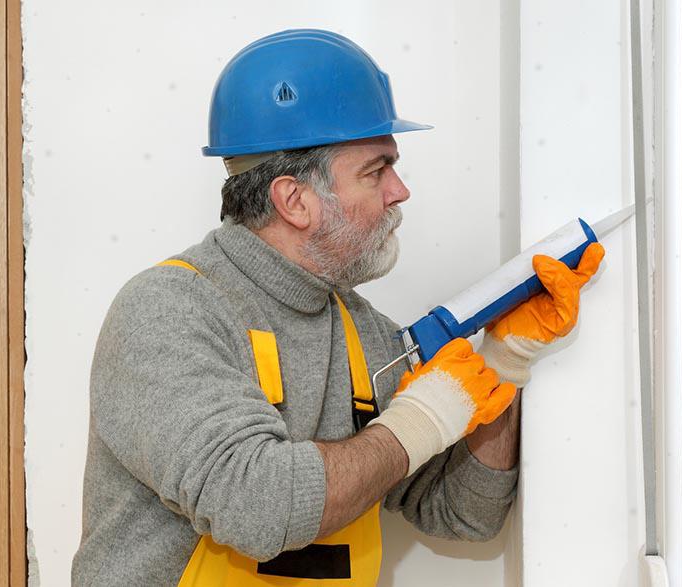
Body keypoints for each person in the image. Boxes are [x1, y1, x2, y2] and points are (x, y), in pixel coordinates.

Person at [72, 29, 605, 586]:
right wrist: (419, 420)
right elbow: (259, 508)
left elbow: (465, 513)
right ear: (295, 200)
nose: (400, 191)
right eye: (376, 170)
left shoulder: (364, 334)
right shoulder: (167, 313)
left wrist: (503, 364)